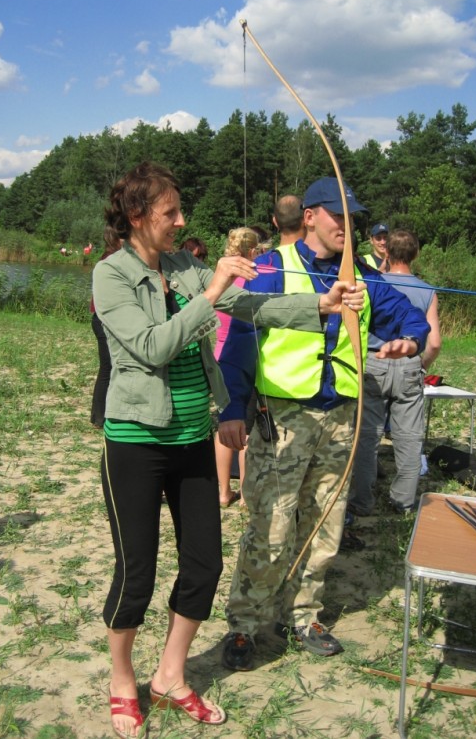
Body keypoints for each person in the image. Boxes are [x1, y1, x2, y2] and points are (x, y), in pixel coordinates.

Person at [92, 162, 366, 737]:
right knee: (136, 574)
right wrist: (212, 288)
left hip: (194, 437)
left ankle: (170, 675)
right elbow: (153, 347)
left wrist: (322, 305)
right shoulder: (109, 275)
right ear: (138, 217)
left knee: (204, 566)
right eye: (171, 213)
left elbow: (252, 309)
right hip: (136, 444)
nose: (182, 222)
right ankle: (122, 679)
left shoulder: (183, 266)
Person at [217, 177, 430, 672]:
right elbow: (239, 344)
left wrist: (410, 343)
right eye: (337, 215)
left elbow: (411, 319)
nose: (346, 226)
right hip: (284, 418)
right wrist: (231, 412)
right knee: (270, 523)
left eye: (352, 217)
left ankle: (304, 615)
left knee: (325, 523)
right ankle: (246, 624)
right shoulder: (273, 267)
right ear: (309, 216)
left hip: (343, 418)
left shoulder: (365, 276)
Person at [348, 229, 442, 517]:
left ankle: (362, 501)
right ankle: (402, 502)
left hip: (372, 362)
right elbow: (435, 342)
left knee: (366, 436)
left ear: (385, 252)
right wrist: (420, 365)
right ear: (416, 254)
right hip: (410, 365)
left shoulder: (371, 282)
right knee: (409, 436)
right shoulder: (427, 290)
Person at [214, 227, 262, 507]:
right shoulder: (253, 282)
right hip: (244, 361)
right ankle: (244, 492)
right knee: (245, 429)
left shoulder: (220, 280)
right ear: (252, 252)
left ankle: (222, 492)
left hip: (220, 358)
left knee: (224, 427)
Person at [90, 227, 122, 428]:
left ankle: (101, 414)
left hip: (106, 320)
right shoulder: (109, 262)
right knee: (108, 368)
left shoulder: (111, 259)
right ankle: (99, 417)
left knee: (110, 367)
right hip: (103, 321)